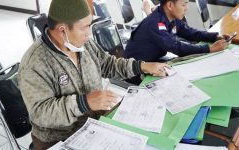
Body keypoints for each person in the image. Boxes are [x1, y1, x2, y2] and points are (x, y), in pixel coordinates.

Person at [18, 0, 169, 149]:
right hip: (59, 139)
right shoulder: (35, 63)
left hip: (94, 121)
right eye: (85, 28)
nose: (89, 34)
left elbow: (108, 64)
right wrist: (84, 102)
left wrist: (142, 66)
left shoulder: (83, 43)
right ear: (63, 30)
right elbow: (40, 114)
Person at [123, 0, 230, 62]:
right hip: (137, 70)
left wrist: (213, 37)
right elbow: (176, 47)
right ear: (170, 5)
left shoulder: (170, 17)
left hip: (154, 60)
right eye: (184, 4)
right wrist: (209, 49)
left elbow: (189, 32)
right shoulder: (155, 23)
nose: (186, 8)